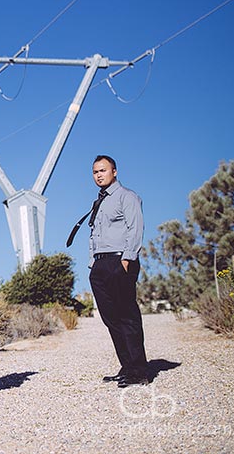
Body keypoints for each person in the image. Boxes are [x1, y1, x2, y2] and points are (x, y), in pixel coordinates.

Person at [87, 155, 149, 387]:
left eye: (103, 170)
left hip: (120, 261)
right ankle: (127, 367)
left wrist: (127, 259)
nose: (99, 175)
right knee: (110, 319)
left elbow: (136, 227)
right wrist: (92, 262)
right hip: (101, 265)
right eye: (95, 172)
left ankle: (139, 370)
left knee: (127, 316)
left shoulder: (127, 197)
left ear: (114, 171)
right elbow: (94, 233)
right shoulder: (99, 201)